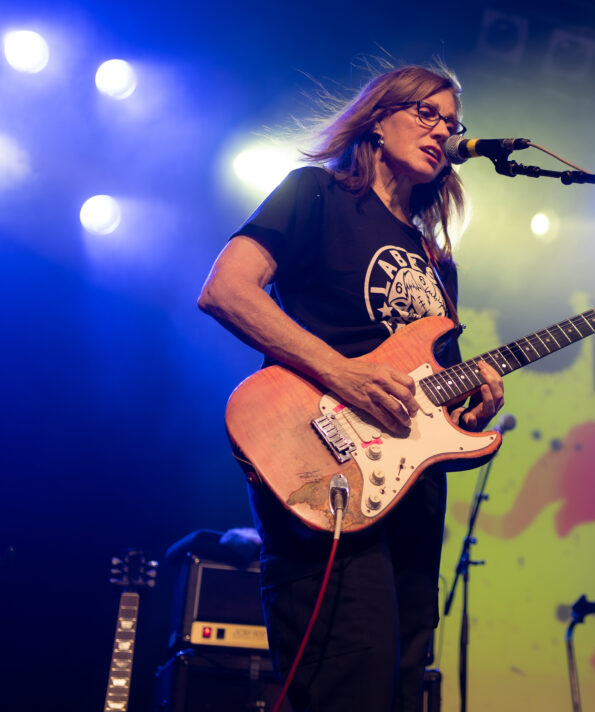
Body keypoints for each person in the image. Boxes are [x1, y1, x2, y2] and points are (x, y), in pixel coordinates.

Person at [198, 64, 505, 712]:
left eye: (453, 124)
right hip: (327, 466)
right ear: (378, 116)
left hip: (413, 495)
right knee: (348, 683)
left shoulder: (437, 259)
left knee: (398, 687)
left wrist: (473, 403)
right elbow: (226, 289)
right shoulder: (316, 194)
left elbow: (425, 387)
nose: (443, 131)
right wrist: (341, 373)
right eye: (428, 113)